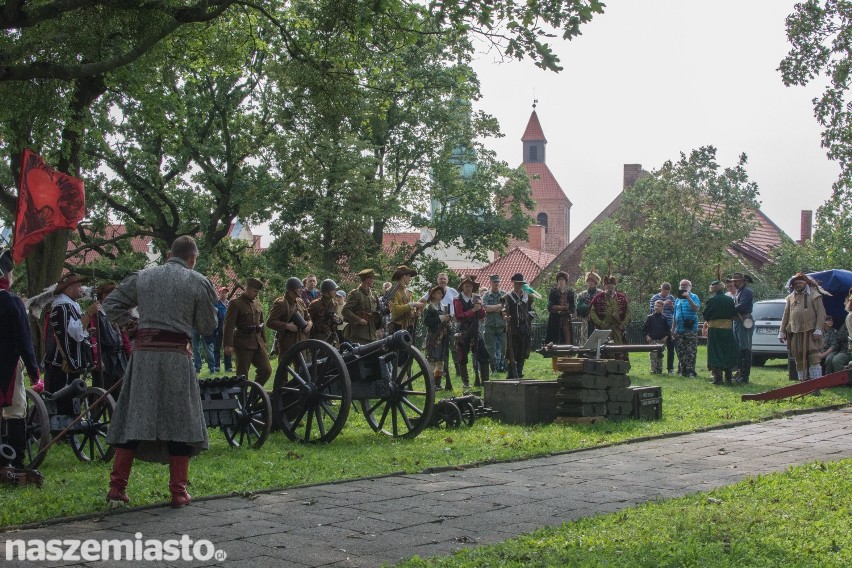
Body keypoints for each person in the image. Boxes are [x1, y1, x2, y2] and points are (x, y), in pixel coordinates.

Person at [104, 236, 217, 508]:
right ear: (192, 258)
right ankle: (178, 492)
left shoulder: (142, 276)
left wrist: (133, 324)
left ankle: (117, 488)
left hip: (143, 357)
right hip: (177, 357)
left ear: (168, 254)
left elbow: (110, 305)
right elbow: (207, 327)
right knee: (180, 422)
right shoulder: (197, 281)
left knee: (135, 415)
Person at [0, 250, 43, 469]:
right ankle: (15, 460)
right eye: (11, 272)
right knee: (15, 410)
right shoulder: (11, 302)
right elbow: (25, 340)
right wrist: (36, 374)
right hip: (6, 364)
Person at [45, 273, 95, 415]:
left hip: (69, 357)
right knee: (64, 394)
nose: (81, 288)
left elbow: (75, 331)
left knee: (71, 394)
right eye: (78, 286)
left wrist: (87, 330)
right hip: (62, 360)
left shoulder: (70, 305)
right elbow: (74, 332)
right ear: (68, 289)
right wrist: (89, 313)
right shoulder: (63, 306)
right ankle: (63, 425)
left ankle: (71, 421)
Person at [223, 278, 272, 386]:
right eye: (255, 291)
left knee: (266, 370)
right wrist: (228, 345)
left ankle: (254, 394)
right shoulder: (235, 303)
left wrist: (264, 340)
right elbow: (229, 325)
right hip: (242, 343)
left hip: (258, 343)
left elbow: (261, 323)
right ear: (247, 289)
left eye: (257, 292)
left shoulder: (257, 303)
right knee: (242, 376)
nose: (256, 294)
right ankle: (242, 401)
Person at [779, 273, 827, 384]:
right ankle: (803, 383)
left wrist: (818, 329)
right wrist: (782, 331)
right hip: (795, 332)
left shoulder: (814, 295)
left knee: (814, 357)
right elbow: (786, 315)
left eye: (800, 282)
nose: (798, 285)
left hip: (811, 331)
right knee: (799, 358)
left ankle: (816, 385)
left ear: (805, 283)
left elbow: (821, 313)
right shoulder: (790, 298)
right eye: (796, 283)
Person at [88, 282, 131, 395]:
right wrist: (97, 360)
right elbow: (93, 338)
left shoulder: (116, 312)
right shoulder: (95, 314)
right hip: (105, 357)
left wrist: (129, 353)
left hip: (119, 358)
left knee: (121, 392)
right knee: (102, 393)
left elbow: (123, 335)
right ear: (103, 296)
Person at [703, 280, 738, 385]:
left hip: (714, 331)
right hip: (727, 330)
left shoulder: (712, 300)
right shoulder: (729, 300)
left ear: (713, 288)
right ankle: (728, 378)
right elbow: (733, 313)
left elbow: (706, 315)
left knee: (715, 352)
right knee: (727, 352)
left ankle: (718, 378)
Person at [267, 277, 313, 357]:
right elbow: (270, 322)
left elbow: (308, 317)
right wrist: (287, 326)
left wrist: (309, 324)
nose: (302, 290)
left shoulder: (300, 301)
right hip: (287, 342)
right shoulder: (281, 303)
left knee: (302, 368)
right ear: (292, 289)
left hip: (301, 340)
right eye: (300, 288)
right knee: (284, 367)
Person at [453, 276, 486, 388]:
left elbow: (482, 315)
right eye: (466, 286)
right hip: (463, 330)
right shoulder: (457, 299)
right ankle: (466, 383)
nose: (468, 288)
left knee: (483, 354)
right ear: (462, 287)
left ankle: (485, 381)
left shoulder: (477, 297)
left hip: (475, 329)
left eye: (470, 286)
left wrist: (480, 307)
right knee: (463, 357)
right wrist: (473, 310)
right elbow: (459, 316)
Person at [589, 272, 630, 356]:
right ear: (604, 285)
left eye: (611, 284)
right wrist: (601, 323)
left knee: (619, 352)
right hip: (603, 330)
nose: (609, 286)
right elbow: (592, 313)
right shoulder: (598, 298)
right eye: (607, 284)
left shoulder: (622, 297)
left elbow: (628, 312)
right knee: (605, 352)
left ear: (615, 285)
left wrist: (623, 324)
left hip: (618, 330)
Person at [503, 273, 533, 379]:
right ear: (513, 283)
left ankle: (519, 372)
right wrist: (506, 317)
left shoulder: (528, 296)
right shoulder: (508, 296)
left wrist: (528, 317)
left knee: (522, 350)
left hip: (524, 328)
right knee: (512, 351)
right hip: (513, 328)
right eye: (516, 283)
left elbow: (531, 310)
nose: (518, 285)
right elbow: (504, 310)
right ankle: (511, 373)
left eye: (520, 284)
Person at [728, 271, 755, 384]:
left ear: (743, 281)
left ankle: (745, 376)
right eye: (734, 281)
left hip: (744, 320)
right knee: (738, 349)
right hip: (737, 321)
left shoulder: (747, 292)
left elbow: (742, 306)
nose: (735, 283)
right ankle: (739, 373)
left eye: (737, 281)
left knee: (745, 349)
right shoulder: (739, 292)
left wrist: (729, 307)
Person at [423, 286, 451, 390]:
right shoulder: (429, 307)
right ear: (433, 294)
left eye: (441, 293)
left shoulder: (443, 307)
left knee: (441, 361)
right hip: (433, 337)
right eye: (438, 293)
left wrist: (448, 321)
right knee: (432, 360)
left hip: (443, 337)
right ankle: (431, 384)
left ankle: (437, 383)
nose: (440, 295)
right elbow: (427, 322)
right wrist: (440, 318)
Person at [342, 269, 381, 344]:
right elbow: (345, 311)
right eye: (372, 279)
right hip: (359, 335)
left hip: (372, 334)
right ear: (367, 280)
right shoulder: (355, 294)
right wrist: (358, 320)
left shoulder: (374, 294)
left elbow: (378, 311)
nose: (373, 280)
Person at [672, 279, 700, 377]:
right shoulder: (677, 300)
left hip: (691, 329)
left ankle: (691, 371)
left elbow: (696, 308)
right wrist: (673, 329)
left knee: (691, 351)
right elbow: (675, 315)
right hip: (679, 329)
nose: (683, 287)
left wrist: (688, 298)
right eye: (681, 285)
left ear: (690, 287)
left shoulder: (694, 296)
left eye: (685, 285)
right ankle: (683, 370)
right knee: (681, 351)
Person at [649, 282, 677, 374]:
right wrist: (663, 304)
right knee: (657, 349)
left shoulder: (672, 298)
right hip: (658, 326)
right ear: (661, 290)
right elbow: (651, 310)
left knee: (671, 347)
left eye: (668, 292)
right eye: (665, 292)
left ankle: (670, 368)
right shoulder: (655, 298)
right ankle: (656, 368)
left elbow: (675, 312)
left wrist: (671, 306)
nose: (666, 294)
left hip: (669, 325)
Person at [481, 274, 506, 373]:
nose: (496, 284)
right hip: (489, 325)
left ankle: (503, 366)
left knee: (504, 347)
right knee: (490, 348)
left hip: (501, 325)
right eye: (494, 282)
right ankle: (493, 367)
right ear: (490, 283)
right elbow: (486, 308)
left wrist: (493, 308)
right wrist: (499, 306)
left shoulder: (504, 294)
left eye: (497, 282)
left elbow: (505, 308)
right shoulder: (486, 295)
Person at [388, 265, 423, 335]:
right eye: (409, 276)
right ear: (404, 276)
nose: (410, 279)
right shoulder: (392, 291)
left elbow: (410, 311)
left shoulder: (409, 293)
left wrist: (416, 313)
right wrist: (412, 305)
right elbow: (395, 310)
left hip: (409, 327)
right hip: (397, 328)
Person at [307, 279, 340, 346]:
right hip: (319, 338)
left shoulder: (335, 304)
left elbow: (337, 319)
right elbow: (308, 320)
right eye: (333, 290)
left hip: (332, 336)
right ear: (325, 292)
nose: (335, 292)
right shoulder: (315, 305)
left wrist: (338, 319)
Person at [546, 271, 575, 346]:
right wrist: (563, 307)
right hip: (554, 321)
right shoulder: (553, 292)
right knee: (554, 343)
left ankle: (566, 357)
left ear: (566, 281)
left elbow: (572, 308)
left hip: (566, 322)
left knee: (566, 343)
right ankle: (555, 357)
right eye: (559, 279)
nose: (561, 281)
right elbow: (550, 307)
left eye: (563, 279)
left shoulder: (570, 293)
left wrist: (564, 310)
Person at [642, 300, 670, 374]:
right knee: (653, 356)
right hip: (652, 340)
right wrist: (647, 336)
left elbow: (668, 329)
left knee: (660, 356)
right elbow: (644, 329)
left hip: (661, 340)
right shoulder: (650, 317)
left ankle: (659, 370)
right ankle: (653, 370)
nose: (656, 307)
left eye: (659, 306)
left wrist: (666, 337)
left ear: (662, 308)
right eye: (655, 306)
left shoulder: (664, 318)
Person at [575, 270, 603, 344]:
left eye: (592, 281)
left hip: (598, 321)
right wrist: (585, 307)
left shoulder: (601, 293)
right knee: (586, 340)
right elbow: (578, 308)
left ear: (596, 282)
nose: (590, 283)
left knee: (598, 341)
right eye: (588, 281)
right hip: (586, 321)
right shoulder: (582, 294)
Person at [213, 287, 232, 373]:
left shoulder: (230, 304)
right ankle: (217, 366)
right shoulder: (216, 304)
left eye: (225, 292)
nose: (224, 294)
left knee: (227, 348)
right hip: (218, 330)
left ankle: (228, 367)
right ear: (219, 293)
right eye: (222, 292)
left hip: (228, 331)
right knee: (217, 348)